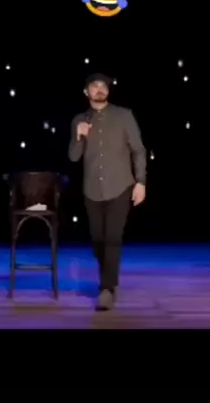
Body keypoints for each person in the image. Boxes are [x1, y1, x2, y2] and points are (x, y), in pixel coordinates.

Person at [68, 73, 147, 311]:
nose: (100, 89)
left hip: (120, 186)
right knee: (98, 240)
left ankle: (107, 288)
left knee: (113, 238)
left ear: (108, 91)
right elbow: (73, 157)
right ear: (86, 92)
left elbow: (138, 150)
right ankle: (108, 280)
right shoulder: (79, 120)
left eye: (103, 86)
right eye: (95, 86)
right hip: (92, 190)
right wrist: (79, 136)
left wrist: (140, 182)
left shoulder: (124, 115)